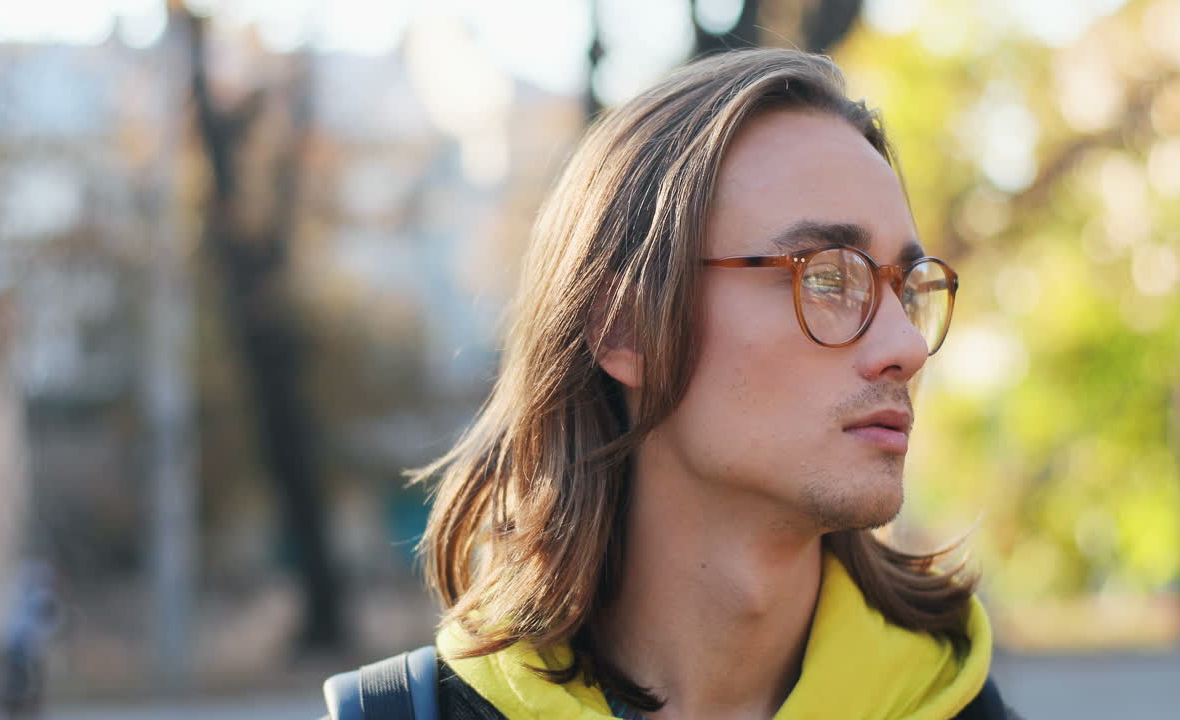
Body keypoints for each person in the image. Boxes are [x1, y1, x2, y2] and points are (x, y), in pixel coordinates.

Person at [410, 48, 1017, 720]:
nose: (906, 346)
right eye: (826, 277)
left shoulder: (955, 705)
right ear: (625, 328)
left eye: (905, 290)